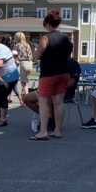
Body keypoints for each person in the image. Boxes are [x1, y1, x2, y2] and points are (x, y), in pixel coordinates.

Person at [30, 10, 70, 140]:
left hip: (49, 74)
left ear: (48, 24)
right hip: (64, 73)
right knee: (59, 102)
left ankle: (43, 131)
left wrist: (36, 50)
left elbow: (38, 56)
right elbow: (69, 57)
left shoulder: (45, 38)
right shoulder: (66, 39)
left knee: (44, 102)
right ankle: (57, 131)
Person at [23, 43, 80, 132]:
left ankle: (51, 120)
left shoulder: (73, 64)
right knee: (26, 98)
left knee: (51, 96)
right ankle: (48, 117)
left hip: (65, 92)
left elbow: (71, 83)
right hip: (49, 89)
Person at [13, 32, 33, 97]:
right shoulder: (28, 45)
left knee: (15, 81)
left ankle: (26, 96)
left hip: (22, 63)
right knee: (24, 82)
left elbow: (13, 56)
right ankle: (26, 95)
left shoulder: (17, 45)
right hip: (30, 63)